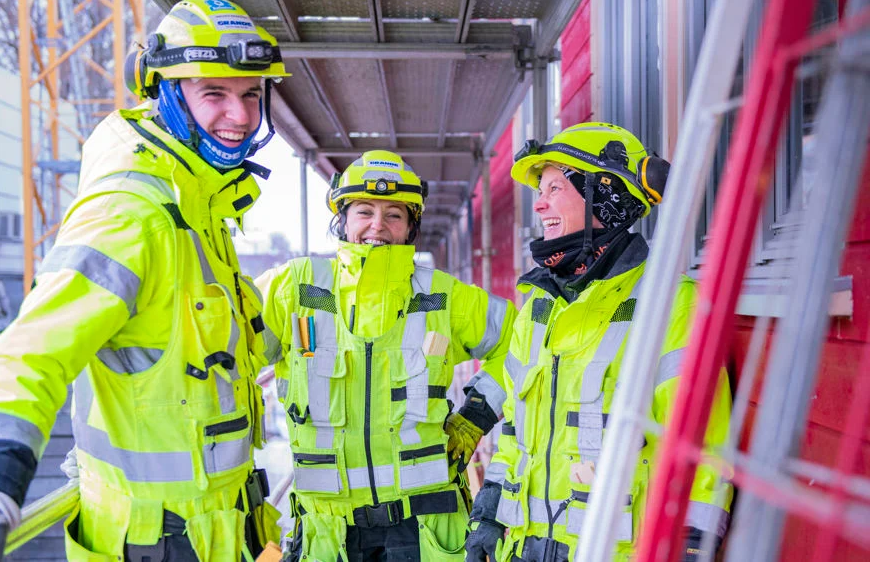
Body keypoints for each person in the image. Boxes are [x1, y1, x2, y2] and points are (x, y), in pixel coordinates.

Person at [0, 0, 289, 560]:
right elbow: (30, 351)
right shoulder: (130, 213)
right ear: (166, 93)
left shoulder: (199, 209)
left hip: (221, 533)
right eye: (214, 93)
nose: (240, 114)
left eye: (251, 95)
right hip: (157, 542)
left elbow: (239, 341)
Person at [464, 122, 733, 562]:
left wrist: (691, 545)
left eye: (554, 188)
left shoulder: (670, 303)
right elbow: (515, 431)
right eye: (540, 191)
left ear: (604, 198)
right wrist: (490, 512)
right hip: (525, 549)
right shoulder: (538, 307)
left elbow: (699, 446)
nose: (539, 204)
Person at [255, 150, 517, 561]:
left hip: (428, 529)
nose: (377, 226)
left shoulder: (443, 296)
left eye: (394, 214)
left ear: (411, 226)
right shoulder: (293, 289)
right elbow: (227, 356)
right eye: (364, 211)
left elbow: (523, 343)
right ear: (342, 219)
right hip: (330, 534)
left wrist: (474, 417)